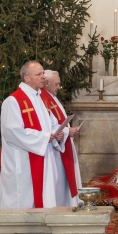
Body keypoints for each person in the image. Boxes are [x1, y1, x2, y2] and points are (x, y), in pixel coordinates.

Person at [0, 60, 63, 209]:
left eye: (43, 74)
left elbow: (52, 124)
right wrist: (45, 137)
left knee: (43, 196)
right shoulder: (13, 101)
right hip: (22, 160)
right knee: (22, 199)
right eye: (38, 74)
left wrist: (57, 134)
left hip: (43, 156)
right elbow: (12, 132)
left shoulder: (41, 99)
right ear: (27, 78)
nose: (43, 77)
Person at [41, 70, 82, 208]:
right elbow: (47, 125)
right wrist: (66, 131)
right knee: (58, 183)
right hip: (54, 147)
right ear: (46, 83)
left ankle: (68, 204)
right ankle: (62, 207)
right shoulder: (43, 98)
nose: (59, 87)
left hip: (61, 143)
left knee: (64, 181)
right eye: (56, 84)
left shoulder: (51, 97)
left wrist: (66, 131)